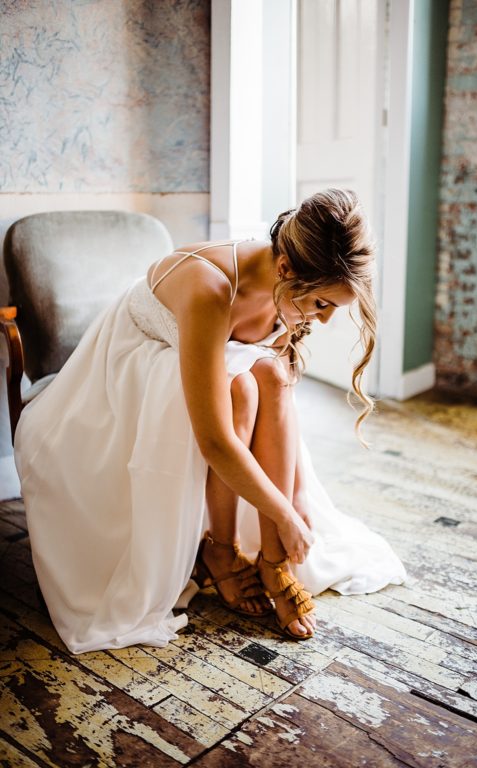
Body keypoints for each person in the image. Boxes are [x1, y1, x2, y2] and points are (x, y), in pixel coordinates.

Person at [16, 188, 406, 654]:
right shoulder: (210, 287)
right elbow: (215, 440)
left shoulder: (291, 282)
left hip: (209, 361)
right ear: (286, 270)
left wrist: (297, 498)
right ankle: (219, 549)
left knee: (274, 377)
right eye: (321, 305)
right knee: (239, 388)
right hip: (133, 363)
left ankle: (271, 562)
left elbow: (277, 392)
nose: (321, 321)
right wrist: (284, 515)